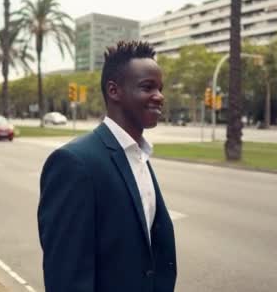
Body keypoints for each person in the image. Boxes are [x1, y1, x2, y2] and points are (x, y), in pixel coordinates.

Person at [38, 40, 177, 292]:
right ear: (114, 91)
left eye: (160, 88)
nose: (159, 96)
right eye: (148, 87)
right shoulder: (74, 163)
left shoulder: (139, 155)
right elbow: (66, 277)